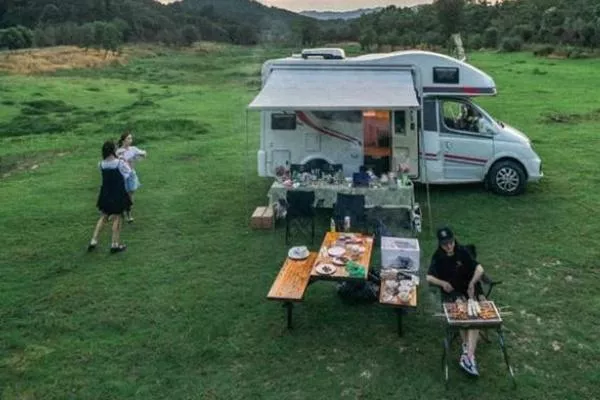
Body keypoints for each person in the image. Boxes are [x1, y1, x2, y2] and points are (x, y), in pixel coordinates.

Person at [426, 227, 485, 376]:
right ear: (440, 244)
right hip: (454, 291)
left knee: (475, 314)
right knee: (465, 314)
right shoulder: (438, 256)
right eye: (445, 244)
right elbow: (429, 277)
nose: (449, 246)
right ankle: (469, 356)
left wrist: (472, 283)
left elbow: (479, 269)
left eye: (451, 242)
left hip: (469, 287)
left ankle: (467, 354)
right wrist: (443, 283)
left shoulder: (462, 251)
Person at [88, 141, 132, 253]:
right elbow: (128, 173)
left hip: (106, 194)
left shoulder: (101, 164)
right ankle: (115, 244)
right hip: (117, 193)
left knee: (104, 216)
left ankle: (94, 240)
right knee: (117, 217)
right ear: (113, 150)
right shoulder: (119, 163)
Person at [117, 131, 147, 222]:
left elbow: (144, 153)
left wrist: (140, 155)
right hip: (122, 176)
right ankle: (121, 212)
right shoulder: (118, 151)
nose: (130, 140)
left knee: (131, 194)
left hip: (131, 174)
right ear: (123, 140)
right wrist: (121, 158)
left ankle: (129, 214)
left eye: (131, 138)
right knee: (123, 194)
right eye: (128, 138)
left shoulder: (133, 149)